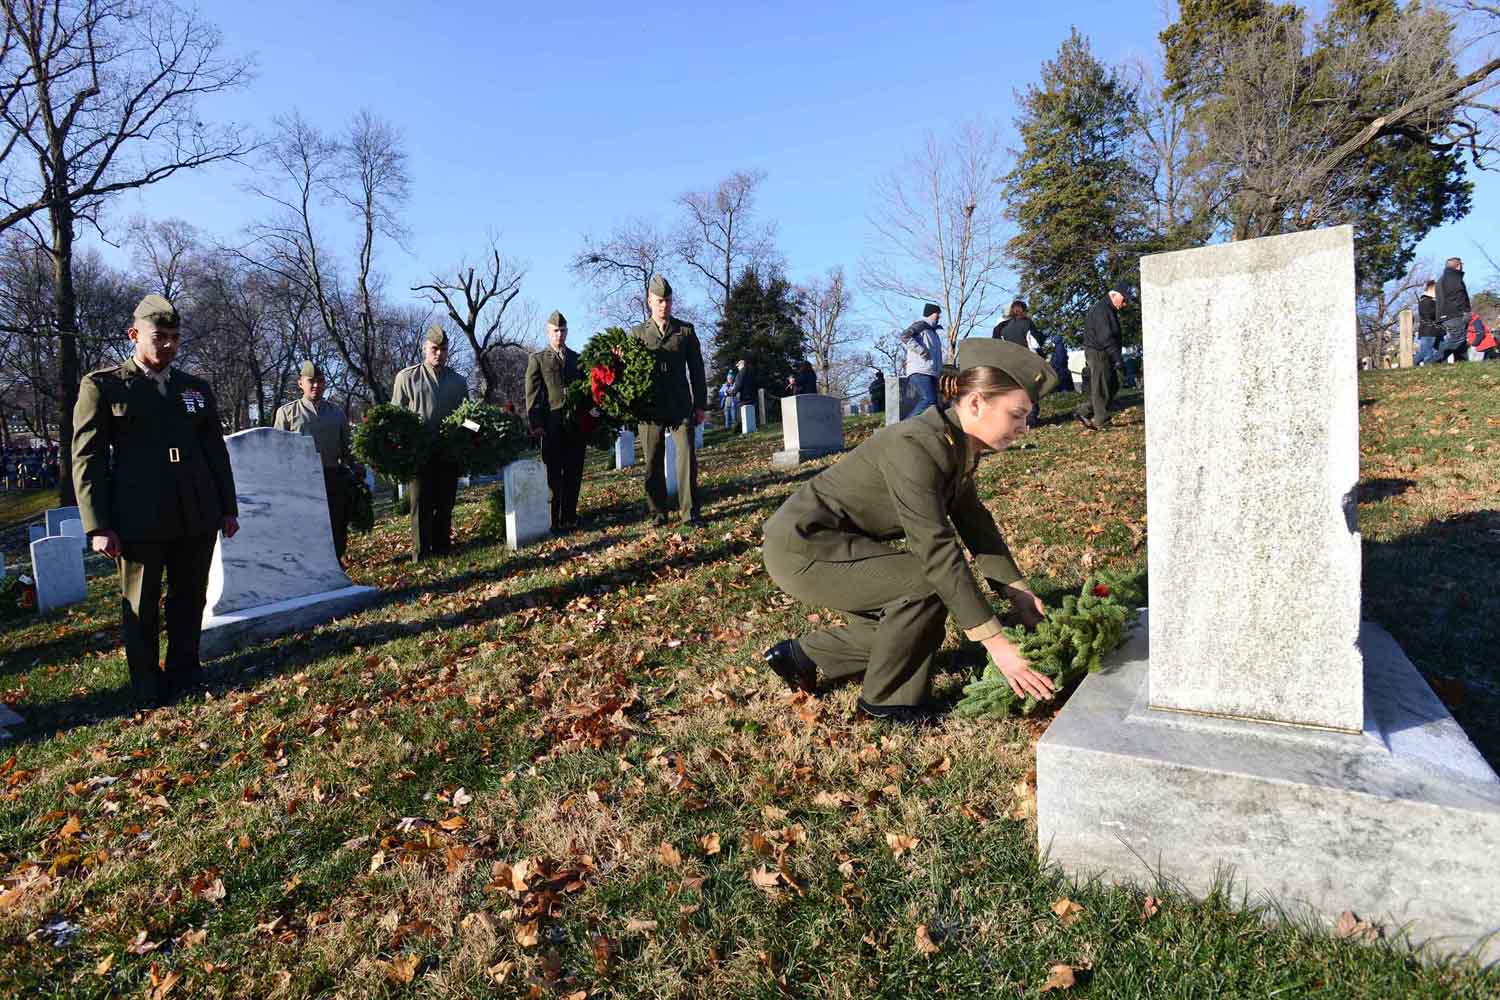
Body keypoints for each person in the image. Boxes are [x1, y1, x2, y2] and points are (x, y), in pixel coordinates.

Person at [760, 340, 1059, 725]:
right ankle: (887, 704)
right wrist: (997, 643)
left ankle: (803, 656)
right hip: (802, 549)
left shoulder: (955, 444)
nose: (1023, 427)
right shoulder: (915, 445)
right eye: (1017, 414)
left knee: (913, 626)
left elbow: (975, 524)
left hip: (836, 542)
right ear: (975, 404)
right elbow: (935, 549)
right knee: (926, 585)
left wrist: (1017, 592)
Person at [72, 294, 239, 706]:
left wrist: (227, 507)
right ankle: (147, 683)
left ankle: (185, 671)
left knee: (189, 597)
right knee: (141, 604)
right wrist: (97, 525)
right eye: (158, 336)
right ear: (134, 335)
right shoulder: (104, 386)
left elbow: (214, 451)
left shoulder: (194, 389)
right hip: (138, 518)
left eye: (175, 338)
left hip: (195, 512)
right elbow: (88, 457)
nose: (168, 345)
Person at [630, 274, 707, 527]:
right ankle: (658, 513)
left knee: (686, 458)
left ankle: (690, 513)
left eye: (669, 301)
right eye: (660, 301)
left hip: (679, 406)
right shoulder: (638, 334)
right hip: (650, 409)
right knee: (652, 461)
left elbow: (697, 370)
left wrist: (700, 405)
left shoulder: (685, 331)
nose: (665, 306)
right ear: (650, 301)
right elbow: (628, 374)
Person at [391, 325, 468, 560]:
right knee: (421, 505)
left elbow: (468, 418)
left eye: (443, 349)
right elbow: (395, 416)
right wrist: (400, 446)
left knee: (446, 503)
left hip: (448, 452)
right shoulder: (407, 377)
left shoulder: (458, 381)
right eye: (434, 349)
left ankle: (442, 548)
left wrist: (479, 432)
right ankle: (421, 553)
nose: (439, 354)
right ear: (425, 348)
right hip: (419, 453)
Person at [273, 361, 353, 560]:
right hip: (301, 481)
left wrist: (357, 470)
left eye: (320, 381)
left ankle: (336, 564)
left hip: (332, 476)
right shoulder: (286, 413)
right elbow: (278, 452)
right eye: (311, 381)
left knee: (337, 526)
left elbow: (348, 449)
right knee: (307, 528)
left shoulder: (337, 413)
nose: (316, 385)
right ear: (301, 383)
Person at [524, 311, 587, 532]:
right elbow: (532, 394)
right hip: (551, 425)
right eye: (555, 331)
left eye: (562, 331)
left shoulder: (578, 359)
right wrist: (536, 423)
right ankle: (553, 519)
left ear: (567, 332)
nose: (559, 335)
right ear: (548, 332)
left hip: (575, 426)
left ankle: (570, 516)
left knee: (574, 472)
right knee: (553, 474)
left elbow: (586, 392)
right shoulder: (538, 359)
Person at [1075, 288, 1129, 430]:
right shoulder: (1101, 310)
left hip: (1103, 351)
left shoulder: (1107, 309)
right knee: (1102, 387)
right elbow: (1106, 337)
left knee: (1111, 385)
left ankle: (1084, 411)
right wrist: (1117, 358)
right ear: (1114, 295)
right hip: (1099, 352)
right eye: (1124, 300)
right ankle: (1102, 421)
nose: (1125, 304)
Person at [994, 300, 1046, 426]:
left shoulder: (1005, 329)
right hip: (1027, 361)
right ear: (1024, 310)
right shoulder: (1027, 324)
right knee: (1030, 391)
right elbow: (1034, 344)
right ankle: (1031, 419)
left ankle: (1018, 420)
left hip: (1012, 364)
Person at [899, 304, 944, 419]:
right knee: (929, 400)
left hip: (931, 372)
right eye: (937, 313)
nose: (939, 316)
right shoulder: (921, 326)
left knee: (934, 405)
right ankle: (906, 425)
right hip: (920, 370)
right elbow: (905, 336)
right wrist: (921, 350)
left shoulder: (933, 332)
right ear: (930, 313)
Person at [1435, 257, 1471, 364]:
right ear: (1458, 266)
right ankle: (1435, 359)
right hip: (1454, 314)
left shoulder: (1442, 279)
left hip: (1446, 314)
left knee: (1461, 341)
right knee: (1457, 338)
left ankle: (1462, 362)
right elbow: (1459, 297)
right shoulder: (1454, 278)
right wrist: (1466, 311)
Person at [1415, 281, 1440, 366]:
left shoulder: (1432, 301)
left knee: (1432, 352)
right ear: (1431, 289)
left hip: (1435, 330)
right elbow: (1428, 315)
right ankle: (1412, 364)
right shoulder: (1425, 301)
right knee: (1427, 354)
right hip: (1428, 331)